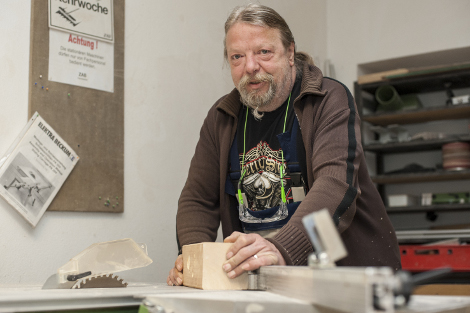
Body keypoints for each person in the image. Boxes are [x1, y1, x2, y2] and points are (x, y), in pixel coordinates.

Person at [167, 3, 401, 286]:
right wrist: (192, 257)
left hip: (347, 277)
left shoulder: (328, 99)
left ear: (290, 52)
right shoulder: (222, 117)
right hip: (266, 280)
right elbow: (198, 199)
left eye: (264, 52)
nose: (251, 67)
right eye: (237, 57)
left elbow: (334, 187)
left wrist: (281, 248)